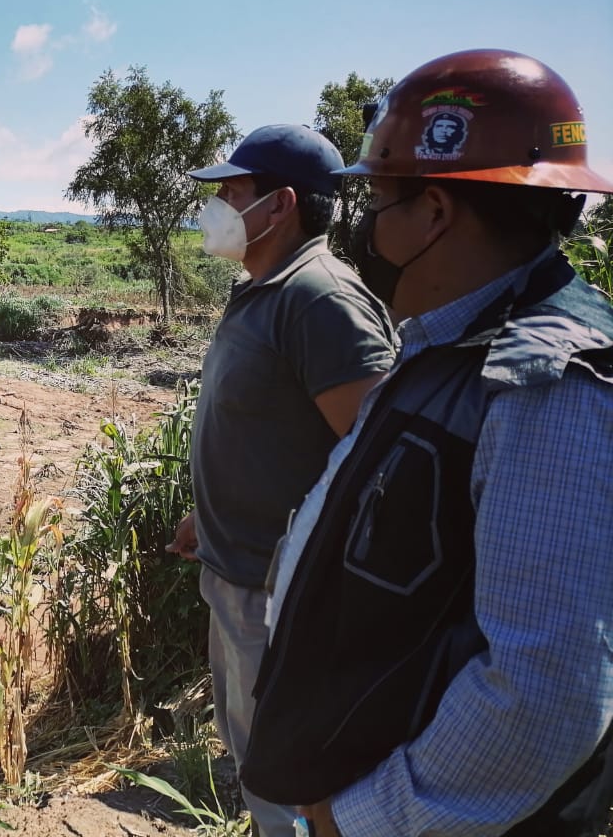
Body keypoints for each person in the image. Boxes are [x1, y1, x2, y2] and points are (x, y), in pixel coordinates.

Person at [243, 49, 613, 836]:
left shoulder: (545, 385)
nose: (366, 229)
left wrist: (365, 819)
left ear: (435, 214)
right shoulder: (450, 343)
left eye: (378, 201)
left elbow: (546, 694)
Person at [167, 124, 395, 837]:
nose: (217, 206)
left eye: (232, 192)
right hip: (238, 574)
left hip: (283, 602)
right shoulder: (267, 288)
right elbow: (273, 431)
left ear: (281, 204)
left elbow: (383, 465)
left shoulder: (321, 301)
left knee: (290, 785)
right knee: (257, 765)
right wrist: (209, 513)